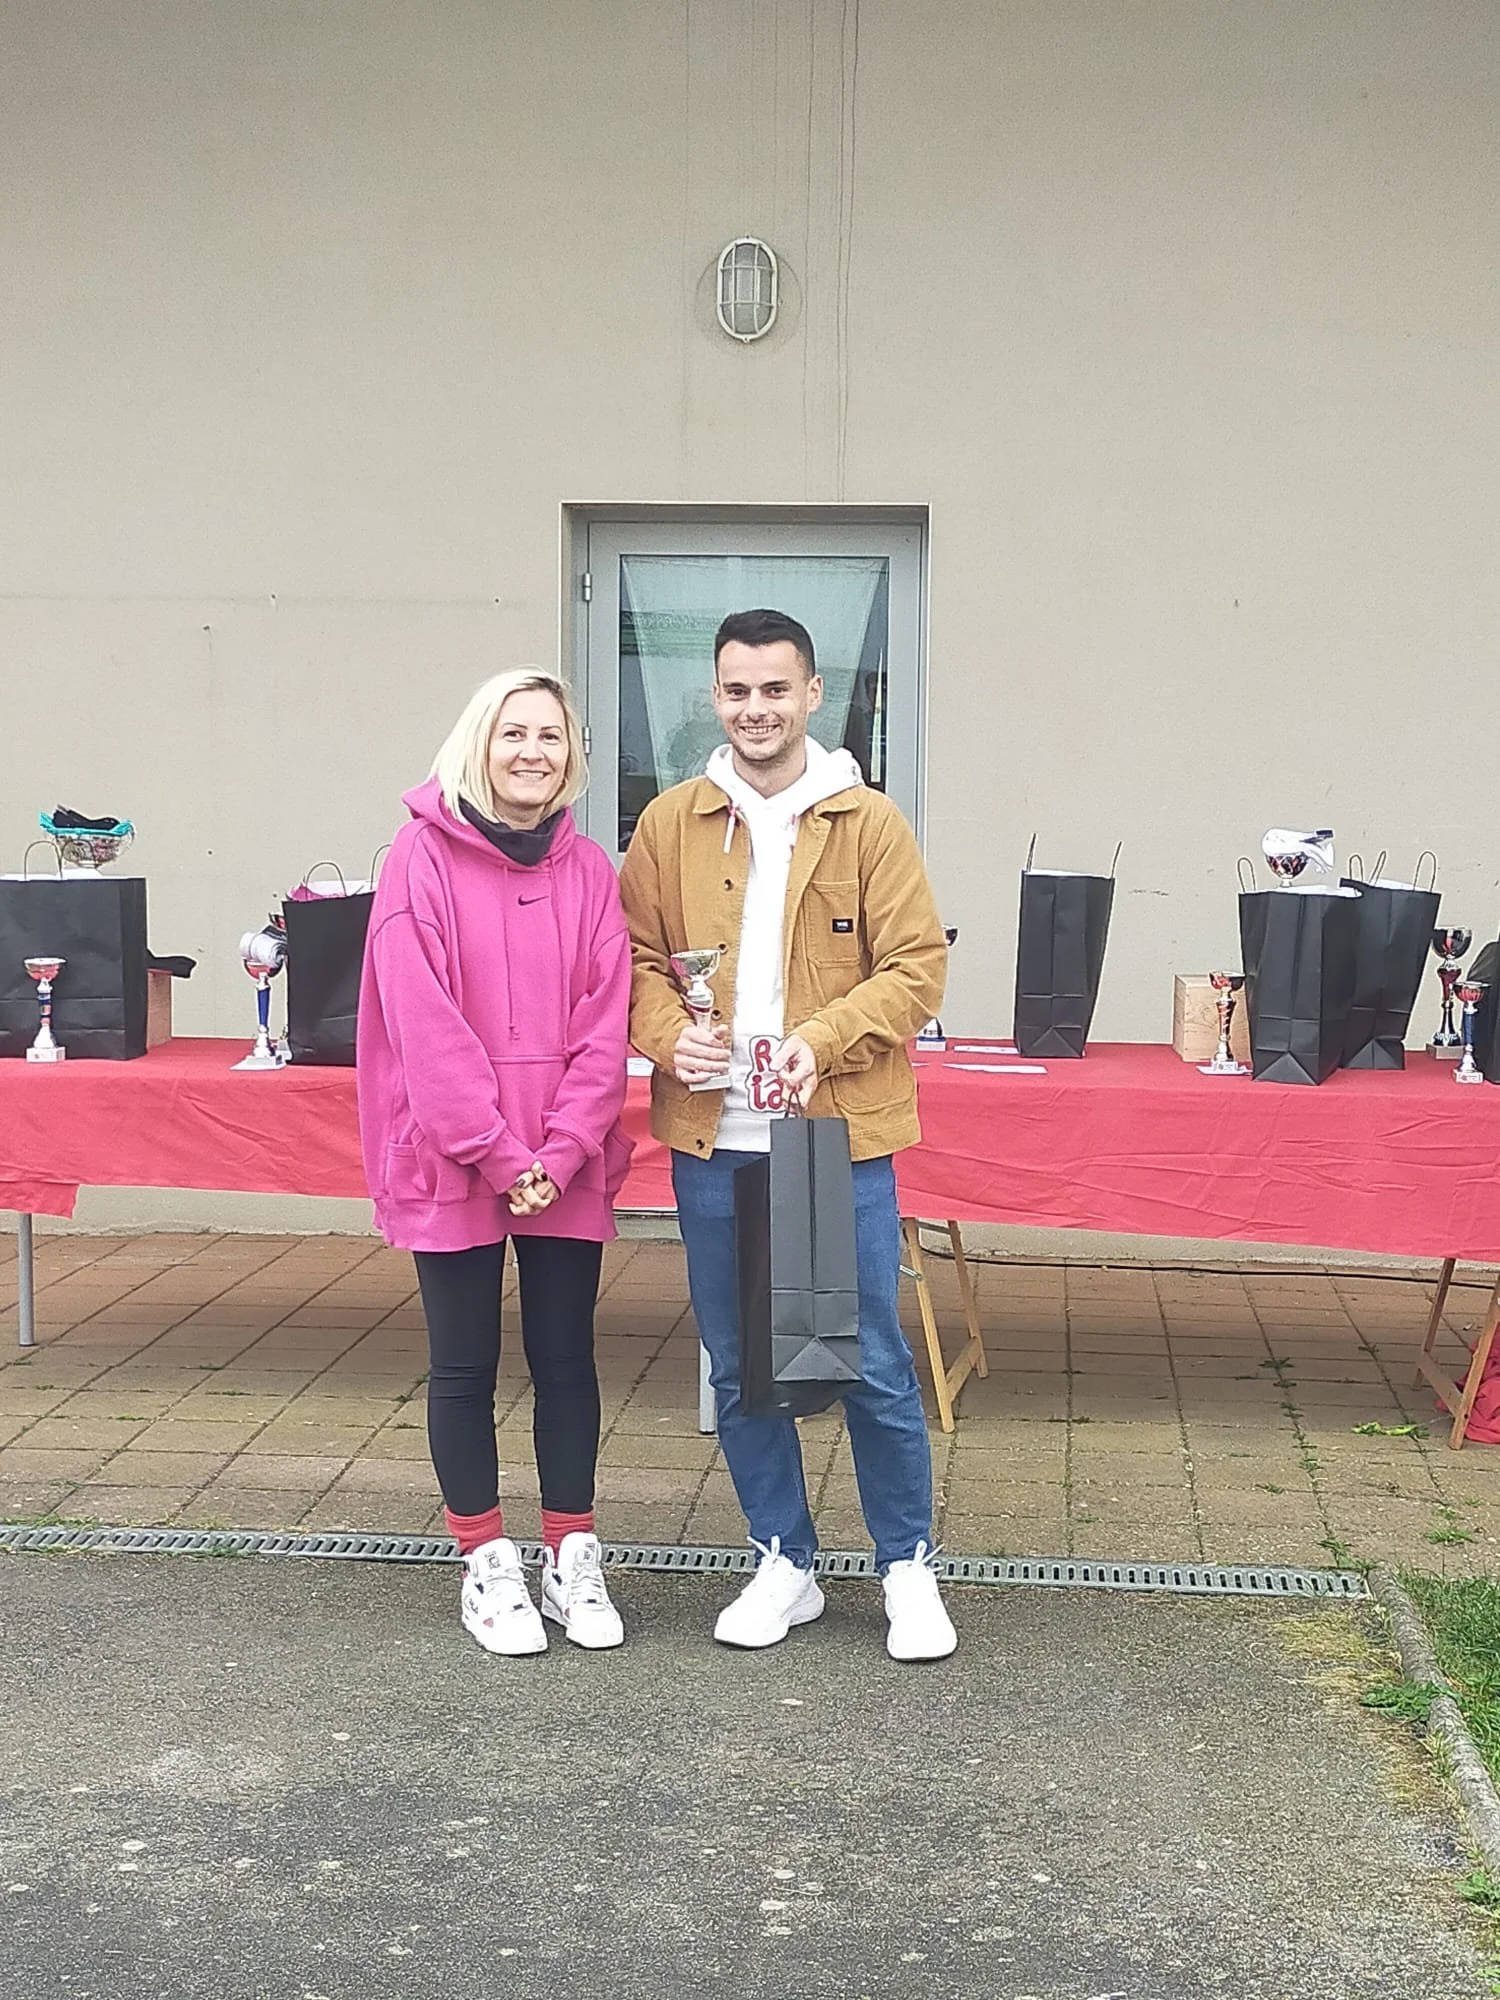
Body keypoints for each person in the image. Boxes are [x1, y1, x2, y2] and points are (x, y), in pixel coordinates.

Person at [619, 608, 958, 1662]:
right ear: (713, 699)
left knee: (867, 1356)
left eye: (775, 689)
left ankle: (905, 1563)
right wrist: (673, 1038)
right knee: (735, 1360)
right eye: (736, 690)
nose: (755, 708)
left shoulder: (871, 822)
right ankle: (785, 1558)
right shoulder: (669, 821)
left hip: (833, 1131)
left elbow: (916, 969)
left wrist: (821, 1037)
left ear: (814, 694)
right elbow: (629, 962)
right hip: (715, 1133)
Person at [357, 669, 633, 1658]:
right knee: (464, 1363)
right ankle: (485, 1561)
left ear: (573, 755)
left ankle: (572, 1553)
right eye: (512, 731)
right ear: (479, 741)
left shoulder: (592, 870)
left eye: (550, 736)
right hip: (453, 1149)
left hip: (564, 1155)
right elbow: (424, 1029)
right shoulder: (416, 862)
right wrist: (499, 1150)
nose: (531, 751)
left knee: (567, 1359)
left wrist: (557, 1151)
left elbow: (607, 1028)